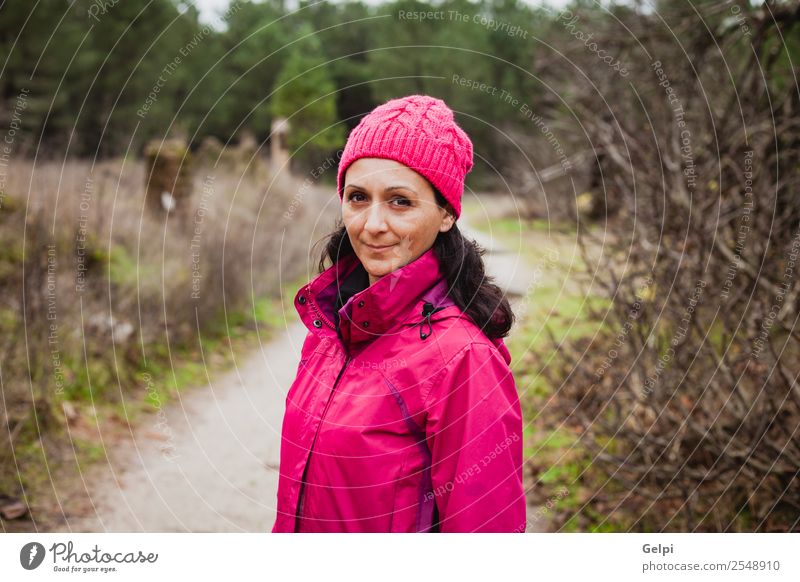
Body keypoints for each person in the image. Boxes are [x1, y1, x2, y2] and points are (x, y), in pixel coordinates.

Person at [272, 94, 526, 533]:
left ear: (445, 213)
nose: (372, 224)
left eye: (400, 201)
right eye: (357, 197)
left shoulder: (462, 358)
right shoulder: (331, 330)